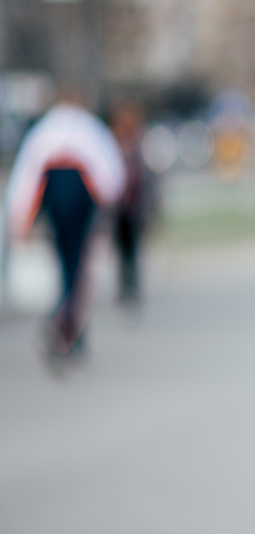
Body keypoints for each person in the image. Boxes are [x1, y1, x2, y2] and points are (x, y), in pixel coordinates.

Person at [7, 92, 124, 359]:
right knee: (77, 264)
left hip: (57, 202)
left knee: (65, 261)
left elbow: (26, 177)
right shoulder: (89, 127)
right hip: (81, 201)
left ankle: (66, 319)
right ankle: (68, 322)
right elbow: (109, 174)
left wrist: (21, 218)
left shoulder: (45, 129)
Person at [110, 102, 154, 307]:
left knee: (133, 250)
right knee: (122, 250)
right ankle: (124, 288)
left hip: (135, 208)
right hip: (119, 210)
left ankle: (132, 287)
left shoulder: (139, 150)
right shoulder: (115, 150)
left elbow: (148, 182)